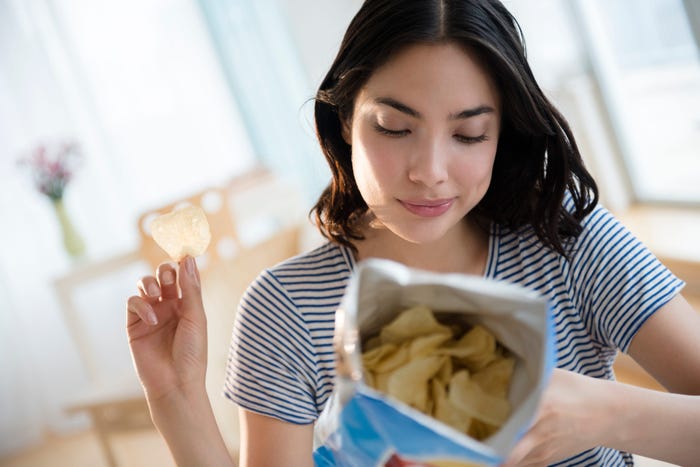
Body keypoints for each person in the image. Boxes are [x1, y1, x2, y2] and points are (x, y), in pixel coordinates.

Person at [126, 0, 700, 465]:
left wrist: (604, 414)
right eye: (396, 128)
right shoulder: (288, 309)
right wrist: (174, 399)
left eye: (469, 135)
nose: (429, 171)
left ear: (503, 135)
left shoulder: (567, 240)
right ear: (346, 121)